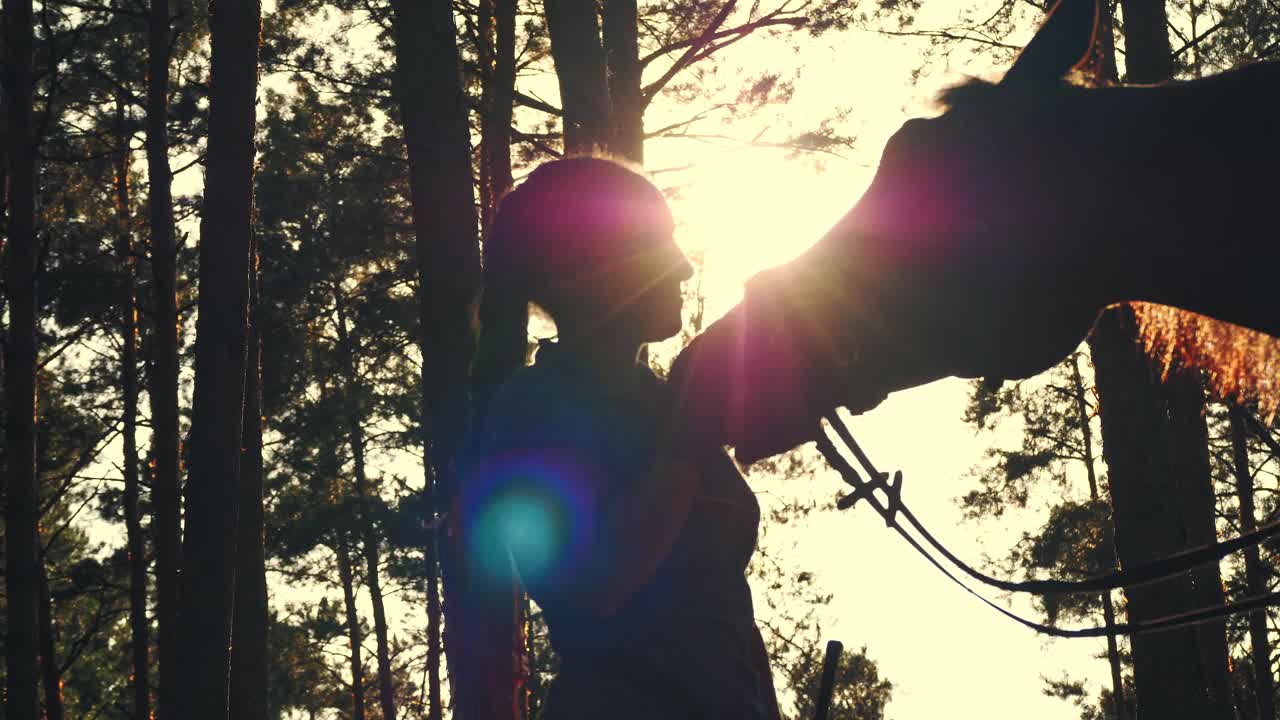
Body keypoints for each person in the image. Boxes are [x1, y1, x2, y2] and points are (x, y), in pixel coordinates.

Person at [457, 156, 782, 719]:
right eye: (655, 243)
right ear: (584, 269)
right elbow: (595, 590)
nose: (683, 267)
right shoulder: (530, 411)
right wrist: (686, 441)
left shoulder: (666, 404)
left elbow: (727, 615)